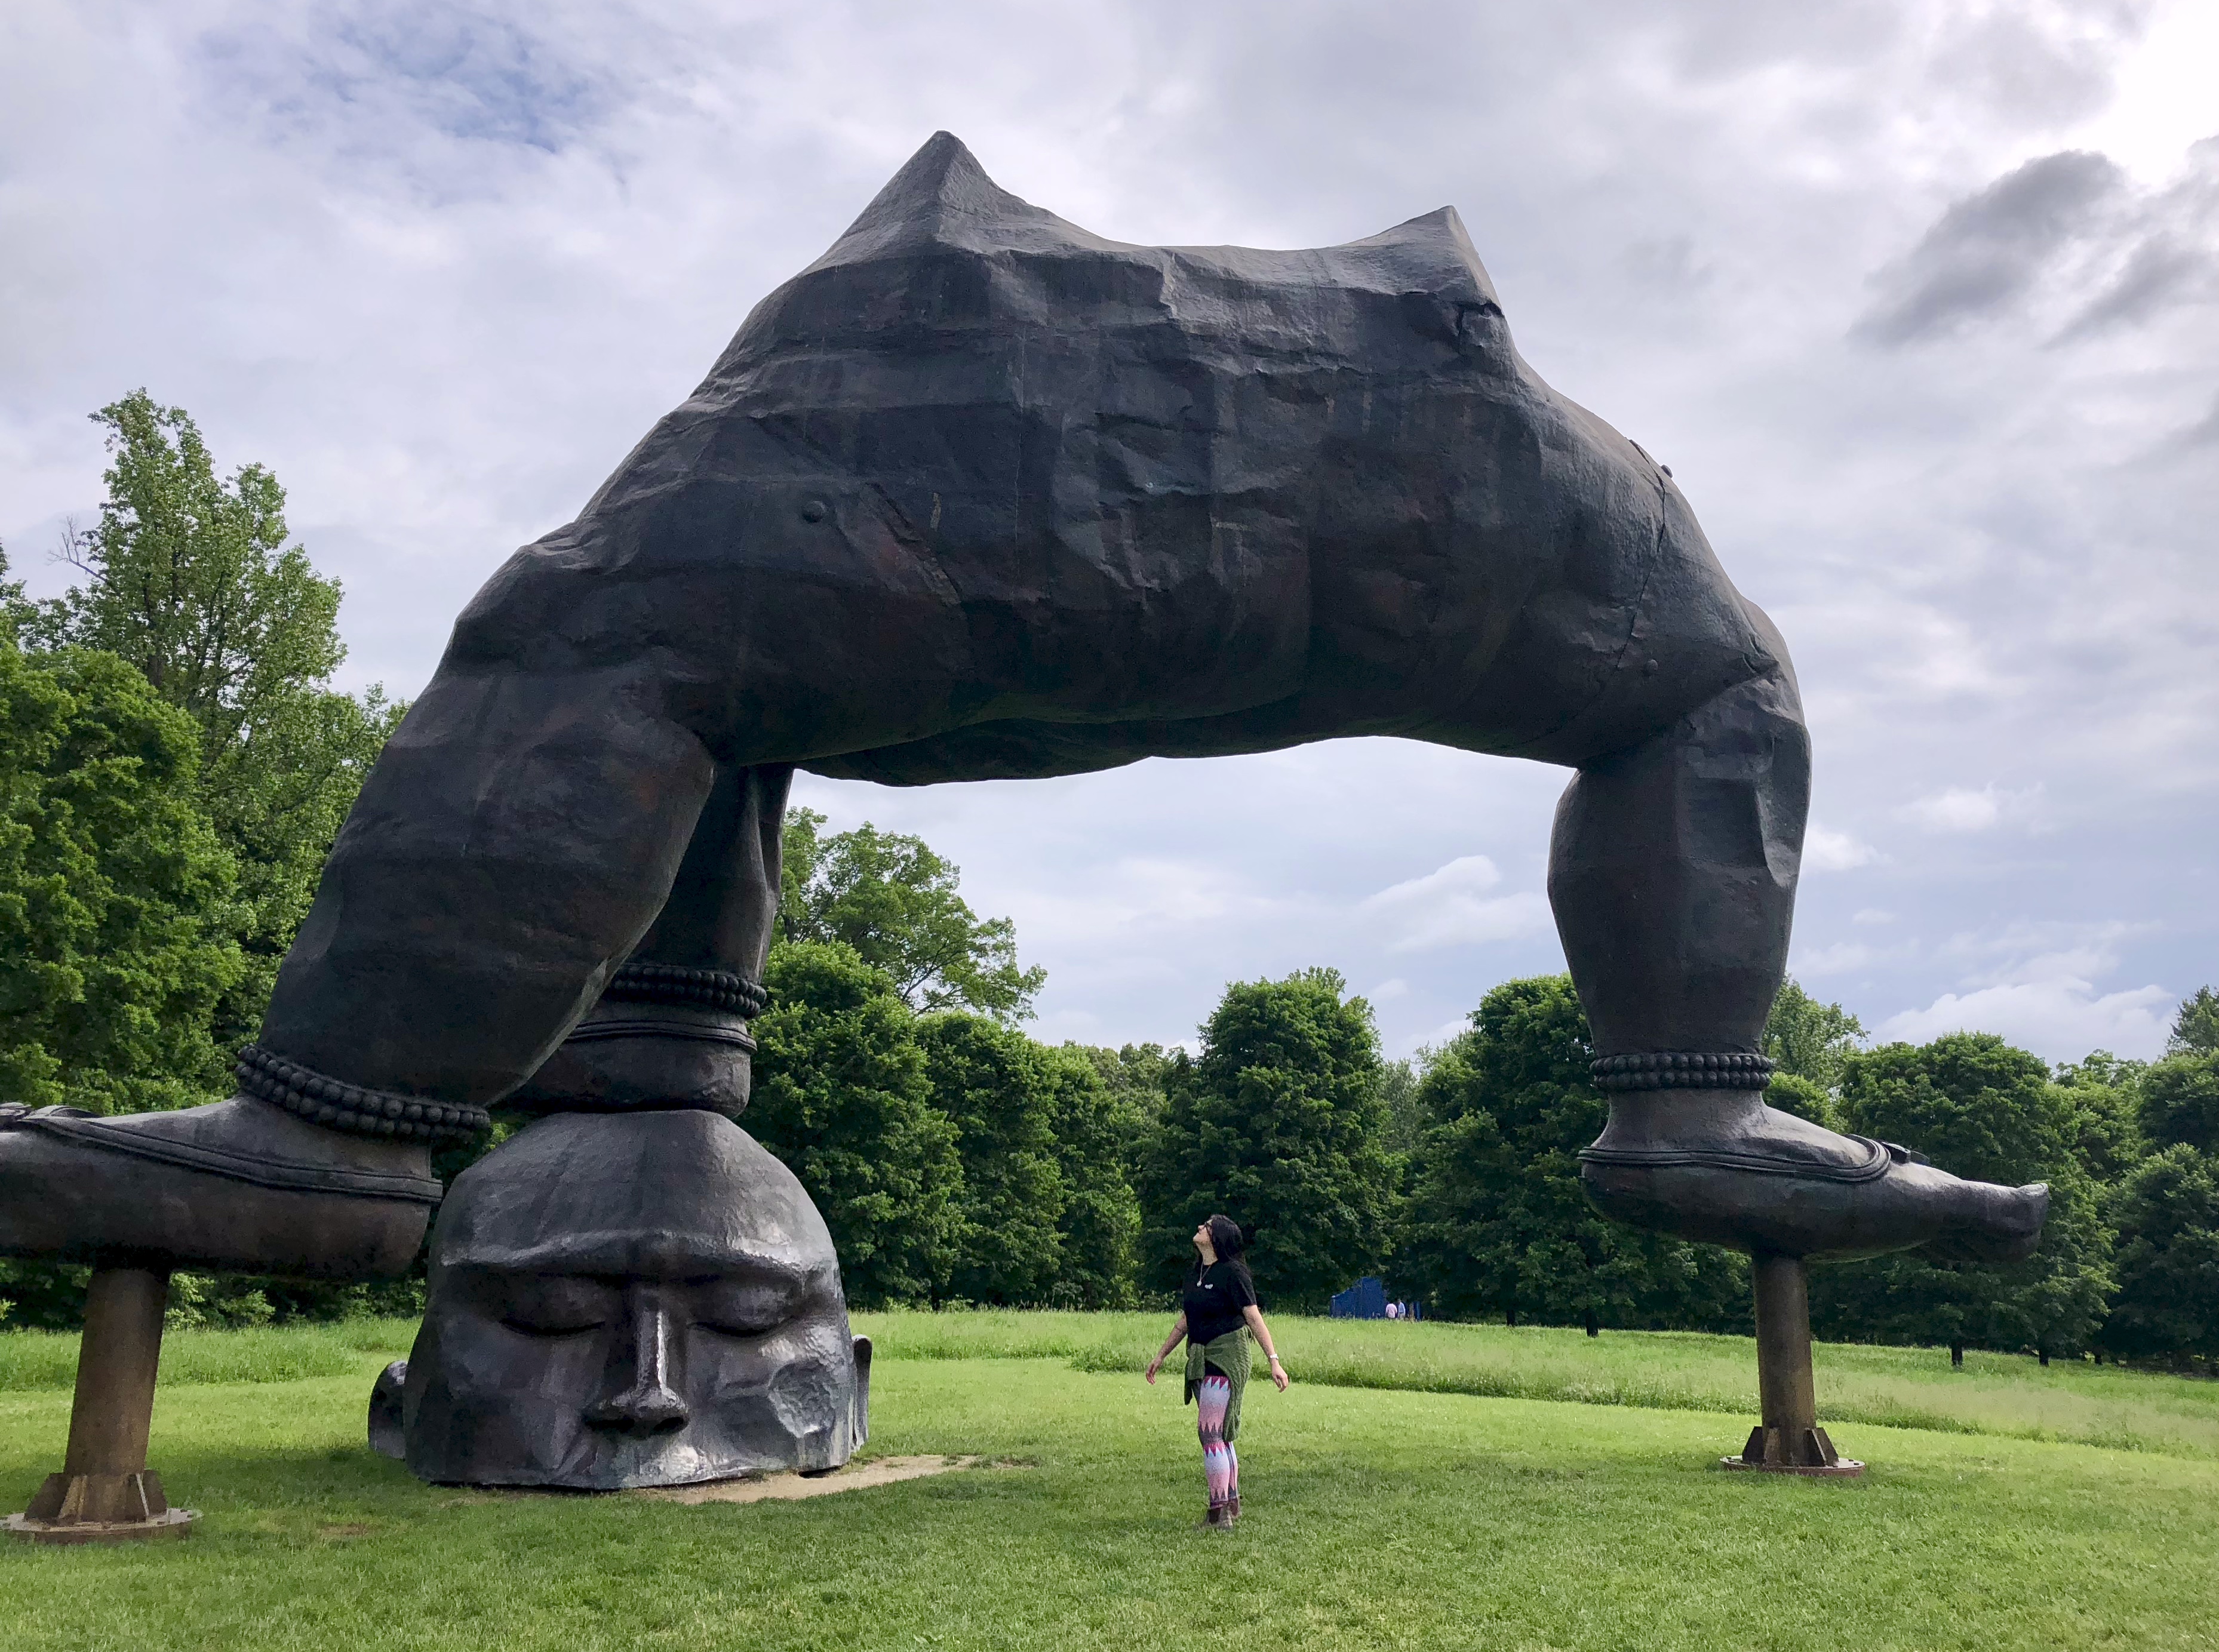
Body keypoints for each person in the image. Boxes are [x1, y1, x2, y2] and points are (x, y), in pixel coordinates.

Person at [1145, 1215, 1287, 1528]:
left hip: (1227, 1356)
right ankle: (1231, 1504)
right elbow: (1186, 1319)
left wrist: (1273, 1360)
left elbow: (1253, 1317)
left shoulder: (1233, 1273)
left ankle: (1219, 1514)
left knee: (1209, 1432)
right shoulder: (1195, 1273)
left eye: (1207, 1226)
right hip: (1201, 1355)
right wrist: (1161, 1355)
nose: (1199, 1227)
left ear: (1218, 1237)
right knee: (1219, 1433)